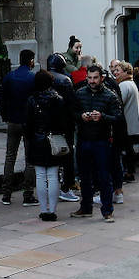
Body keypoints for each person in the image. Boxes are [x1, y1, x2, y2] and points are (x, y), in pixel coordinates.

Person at [69, 65, 120, 222]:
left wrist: (102, 116)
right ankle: (86, 208)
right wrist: (81, 116)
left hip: (101, 141)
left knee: (104, 176)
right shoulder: (80, 93)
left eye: (95, 78)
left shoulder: (110, 95)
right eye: (89, 78)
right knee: (84, 177)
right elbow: (72, 113)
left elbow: (118, 117)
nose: (92, 81)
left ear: (101, 78)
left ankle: (107, 211)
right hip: (84, 139)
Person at [24, 70, 68, 221]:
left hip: (37, 140)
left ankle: (44, 209)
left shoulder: (31, 99)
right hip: (54, 140)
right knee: (53, 176)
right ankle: (52, 210)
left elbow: (27, 123)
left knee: (41, 176)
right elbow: (64, 123)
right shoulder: (58, 99)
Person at [0, 49, 38, 206]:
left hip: (13, 121)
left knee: (10, 156)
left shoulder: (10, 77)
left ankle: (6, 193)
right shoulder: (32, 78)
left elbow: (1, 99)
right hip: (28, 121)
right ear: (31, 61)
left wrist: (5, 116)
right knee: (30, 159)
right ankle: (27, 194)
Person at [45, 54, 80, 202]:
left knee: (50, 156)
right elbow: (72, 103)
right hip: (64, 123)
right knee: (67, 155)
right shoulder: (65, 80)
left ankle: (52, 186)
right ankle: (66, 186)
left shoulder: (43, 77)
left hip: (47, 123)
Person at [113, 61, 139, 194]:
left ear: (125, 72)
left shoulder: (124, 85)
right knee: (128, 148)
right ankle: (130, 172)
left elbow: (118, 102)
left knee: (124, 149)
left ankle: (128, 173)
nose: (115, 72)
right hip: (131, 121)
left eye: (118, 69)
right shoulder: (131, 83)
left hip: (126, 123)